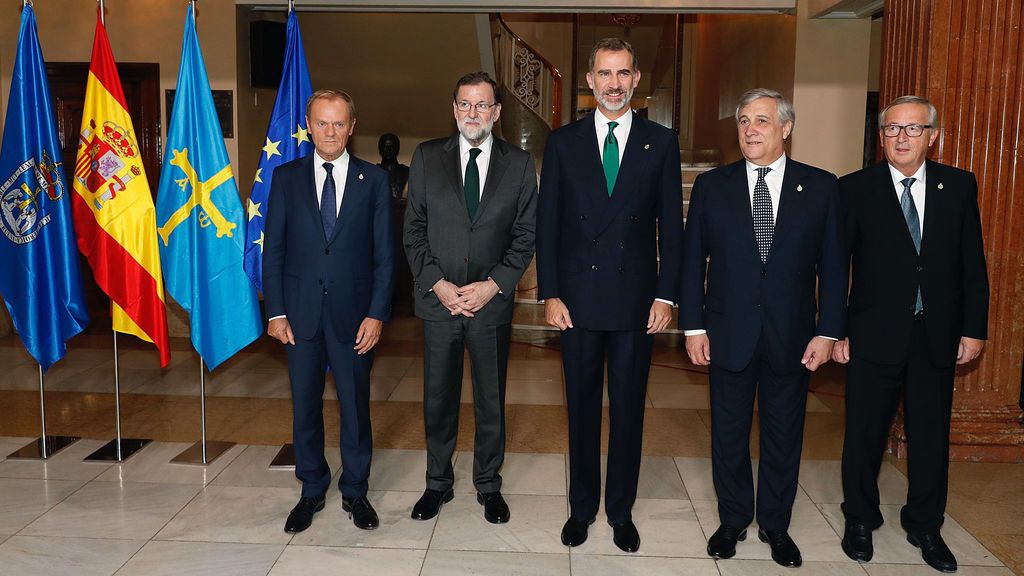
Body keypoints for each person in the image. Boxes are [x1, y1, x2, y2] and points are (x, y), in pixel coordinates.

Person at [679, 88, 846, 567]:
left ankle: (776, 524)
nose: (750, 129)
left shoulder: (820, 186)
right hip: (727, 333)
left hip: (793, 338)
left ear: (786, 128)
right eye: (744, 121)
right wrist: (694, 328)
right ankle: (732, 520)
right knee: (728, 433)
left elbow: (833, 267)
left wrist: (828, 331)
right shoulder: (714, 186)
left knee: (783, 434)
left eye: (762, 121)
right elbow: (693, 262)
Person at [536, 38, 683, 554]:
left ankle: (619, 511)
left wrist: (666, 297)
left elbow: (672, 227)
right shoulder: (562, 142)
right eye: (605, 74)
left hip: (636, 304)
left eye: (623, 74)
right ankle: (581, 508)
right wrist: (549, 293)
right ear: (590, 80)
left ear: (636, 80)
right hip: (575, 302)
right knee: (580, 409)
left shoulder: (660, 142)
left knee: (628, 413)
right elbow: (547, 225)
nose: (614, 84)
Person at [834, 95, 989, 573]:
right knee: (863, 435)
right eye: (892, 129)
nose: (901, 138)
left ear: (932, 136)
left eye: (912, 129)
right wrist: (834, 331)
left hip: (936, 336)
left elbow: (972, 265)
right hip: (872, 334)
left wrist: (974, 328)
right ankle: (860, 518)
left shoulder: (958, 186)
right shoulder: (855, 188)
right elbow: (838, 267)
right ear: (881, 137)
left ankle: (925, 524)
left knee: (930, 436)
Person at [403, 71, 537, 525]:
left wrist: (491, 285)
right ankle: (437, 483)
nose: (473, 113)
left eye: (482, 105)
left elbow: (524, 236)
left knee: (490, 400)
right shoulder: (425, 158)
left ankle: (488, 485)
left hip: (490, 304)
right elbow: (414, 231)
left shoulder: (519, 165)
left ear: (497, 113)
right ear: (453, 109)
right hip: (439, 303)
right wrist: (438, 285)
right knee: (438, 398)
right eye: (465, 104)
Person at [263, 89, 395, 533]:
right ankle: (312, 488)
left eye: (339, 123)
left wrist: (377, 314)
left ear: (352, 127)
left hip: (354, 317)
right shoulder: (285, 178)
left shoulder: (373, 181)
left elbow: (384, 256)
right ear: (308, 125)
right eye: (322, 123)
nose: (331, 132)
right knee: (305, 407)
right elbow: (274, 251)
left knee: (355, 407)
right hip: (298, 317)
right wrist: (275, 312)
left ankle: (356, 492)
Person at [377, 132, 409, 198]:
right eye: (385, 147)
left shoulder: (406, 171)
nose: (388, 150)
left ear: (397, 149)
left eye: (391, 147)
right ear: (380, 149)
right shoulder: (374, 171)